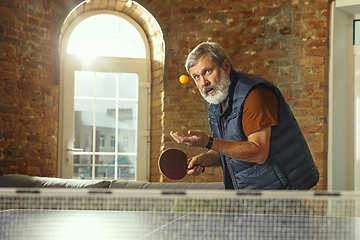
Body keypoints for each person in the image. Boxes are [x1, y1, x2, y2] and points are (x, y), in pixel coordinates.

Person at [170, 42, 319, 190]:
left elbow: (259, 152)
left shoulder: (254, 95)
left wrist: (209, 142)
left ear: (226, 66)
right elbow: (230, 149)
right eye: (196, 77)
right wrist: (204, 159)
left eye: (207, 72)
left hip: (284, 191)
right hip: (252, 195)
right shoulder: (216, 105)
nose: (203, 82)